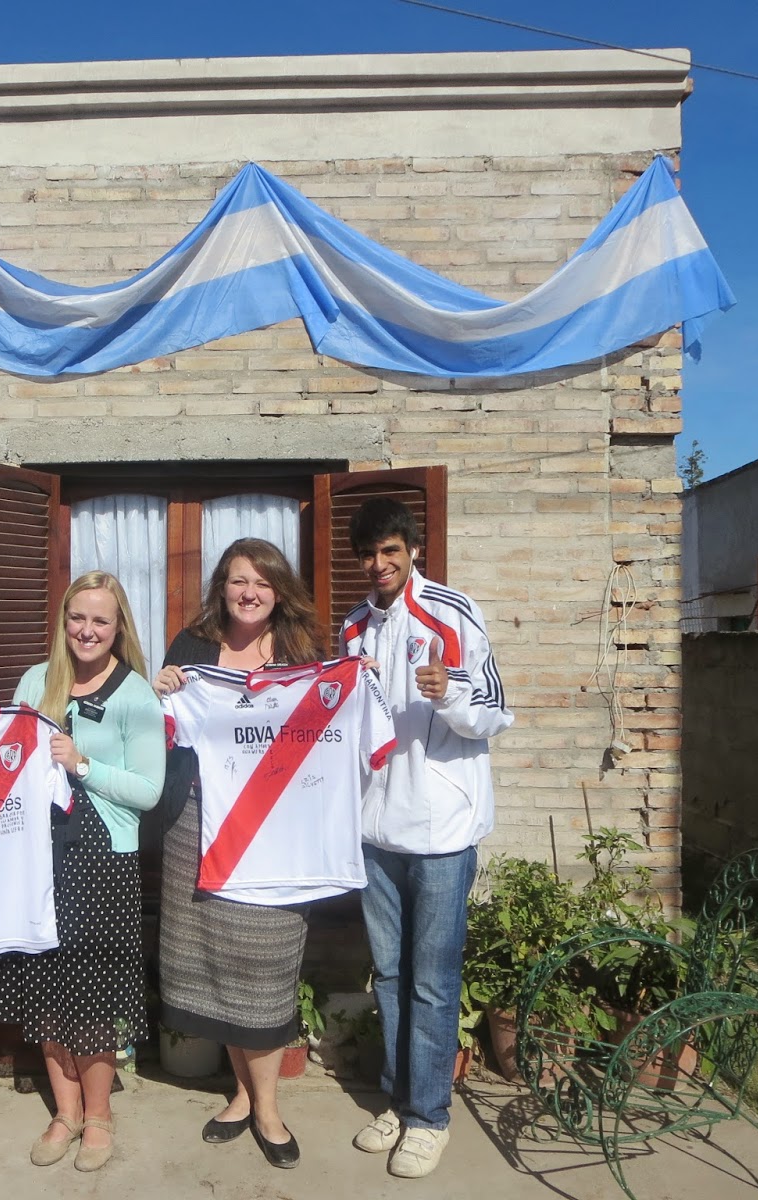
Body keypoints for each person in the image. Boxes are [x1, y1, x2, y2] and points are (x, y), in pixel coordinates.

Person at [341, 498, 514, 1179]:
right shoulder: (353, 627)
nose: (379, 564)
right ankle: (399, 1099)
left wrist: (448, 693)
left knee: (434, 984)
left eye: (390, 550)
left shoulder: (453, 612)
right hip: (376, 833)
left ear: (412, 549)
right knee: (389, 976)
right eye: (368, 554)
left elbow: (495, 713)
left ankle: (430, 1118)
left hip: (441, 832)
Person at [153, 537, 323, 1170]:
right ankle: (242, 1095)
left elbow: (324, 730)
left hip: (274, 832)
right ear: (221, 588)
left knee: (267, 961)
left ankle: (268, 1107)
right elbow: (162, 731)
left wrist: (360, 684)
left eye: (262, 582)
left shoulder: (304, 652)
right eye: (238, 581)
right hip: (198, 825)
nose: (249, 593)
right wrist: (160, 691)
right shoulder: (192, 647)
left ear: (279, 590)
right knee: (219, 958)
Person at [0, 571, 165, 1173]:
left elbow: (148, 790)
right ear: (63, 621)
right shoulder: (36, 681)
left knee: (94, 991)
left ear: (118, 628)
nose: (87, 630)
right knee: (46, 983)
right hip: (39, 853)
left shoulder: (135, 695)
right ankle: (64, 1112)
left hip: (102, 857)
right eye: (77, 618)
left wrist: (83, 764)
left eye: (100, 620)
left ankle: (98, 1116)